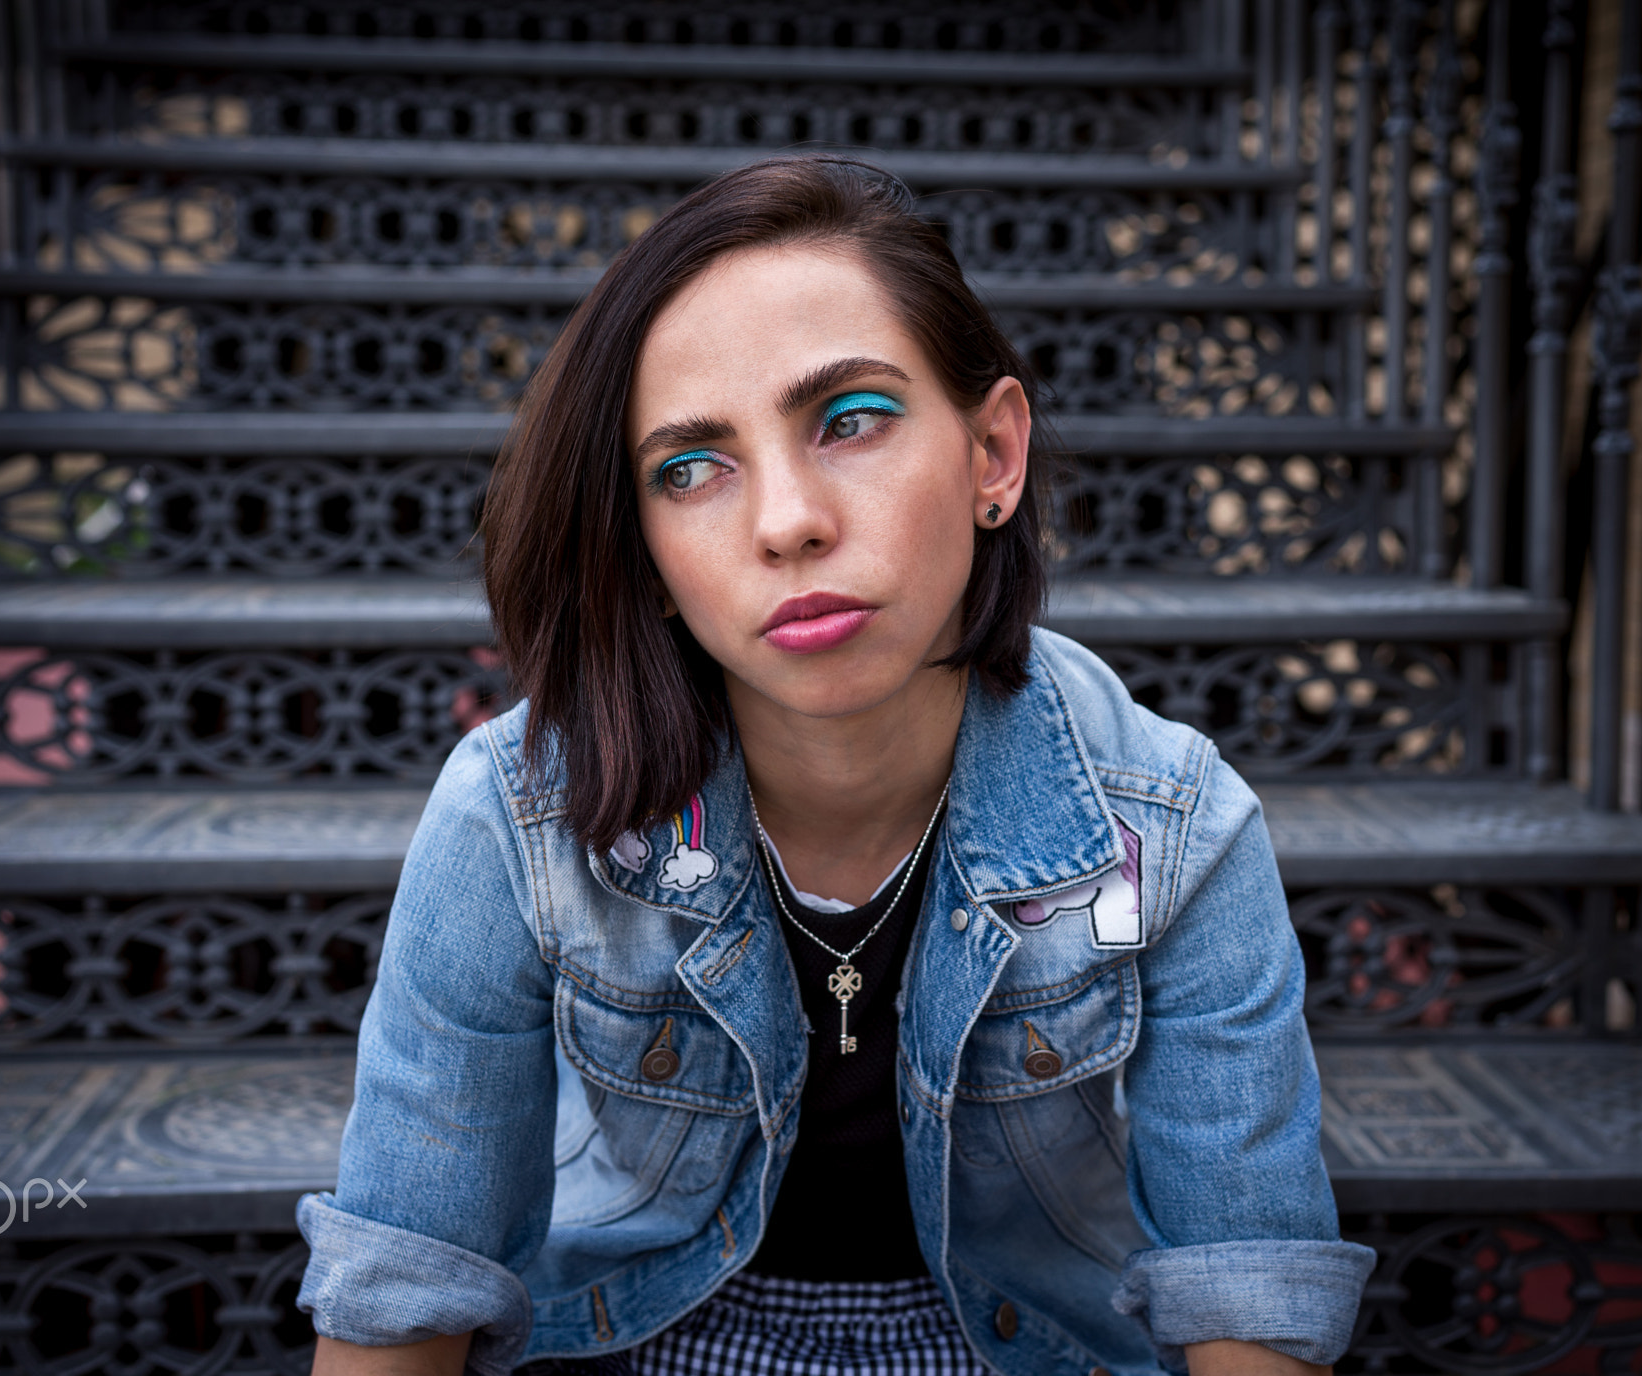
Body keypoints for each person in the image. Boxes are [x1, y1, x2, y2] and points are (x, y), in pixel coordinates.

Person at [295, 155, 1374, 1376]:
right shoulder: (521, 813)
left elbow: (1250, 1295)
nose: (786, 519)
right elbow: (404, 1288)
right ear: (643, 550)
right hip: (635, 1336)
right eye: (689, 467)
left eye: (851, 420)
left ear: (992, 458)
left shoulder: (1171, 826)